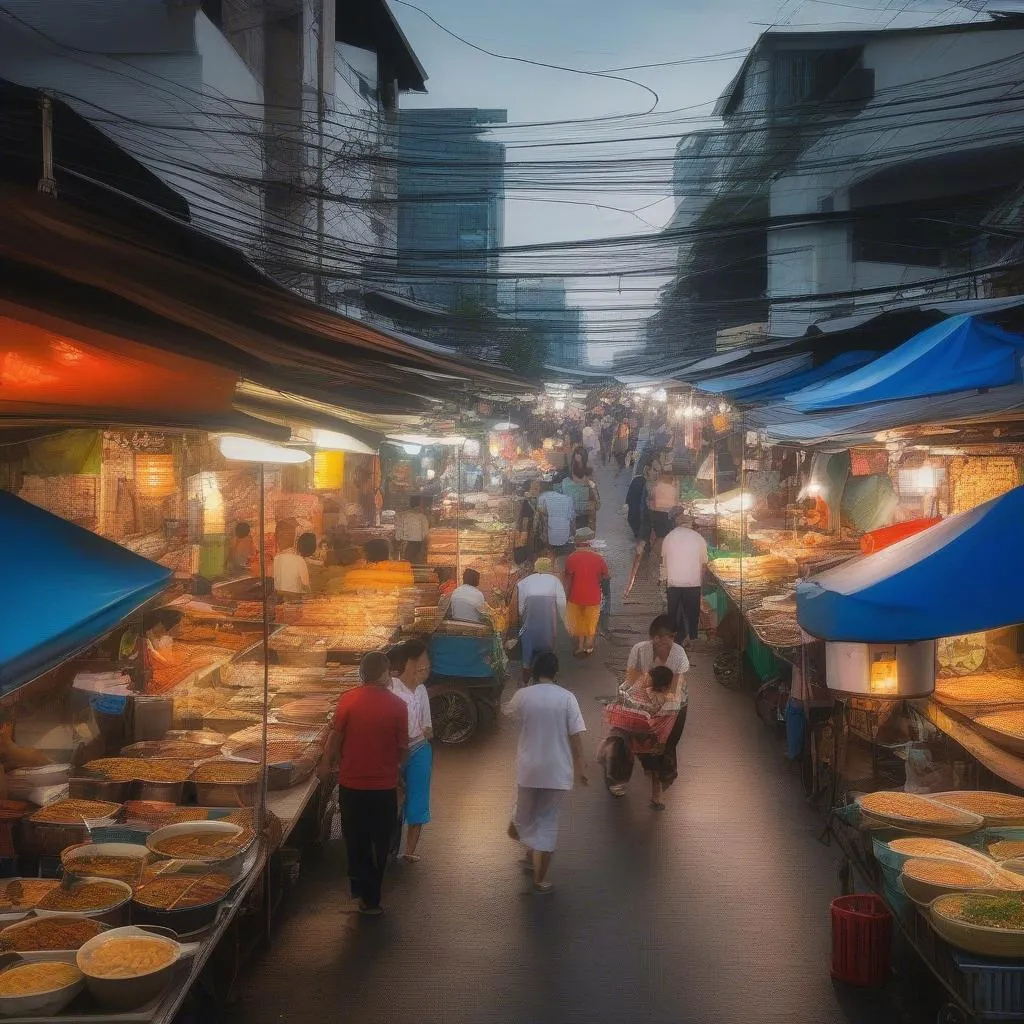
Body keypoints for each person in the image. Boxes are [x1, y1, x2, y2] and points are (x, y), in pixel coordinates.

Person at [318, 651, 408, 916]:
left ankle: (361, 889)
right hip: (383, 787)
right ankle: (373, 897)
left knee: (355, 839)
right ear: (383, 674)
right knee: (381, 840)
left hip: (352, 784)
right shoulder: (398, 706)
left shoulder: (348, 700)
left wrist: (325, 763)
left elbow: (335, 737)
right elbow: (403, 748)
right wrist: (397, 772)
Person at [503, 653, 588, 893]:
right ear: (556, 672)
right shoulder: (567, 698)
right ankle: (540, 879)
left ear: (535, 671)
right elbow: (576, 736)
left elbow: (507, 716)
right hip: (558, 770)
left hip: (528, 769)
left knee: (525, 816)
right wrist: (581, 765)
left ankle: (525, 839)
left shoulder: (523, 696)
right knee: (548, 821)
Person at [616, 615, 690, 808]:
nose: (666, 641)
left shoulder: (679, 654)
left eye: (670, 637)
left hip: (671, 708)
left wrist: (662, 709)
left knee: (664, 747)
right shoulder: (639, 651)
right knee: (629, 739)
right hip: (643, 704)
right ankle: (621, 777)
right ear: (653, 637)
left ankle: (657, 786)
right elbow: (631, 680)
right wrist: (628, 697)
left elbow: (675, 689)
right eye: (661, 637)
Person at [389, 640, 433, 862]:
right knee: (393, 798)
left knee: (417, 801)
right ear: (410, 663)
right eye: (422, 662)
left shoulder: (422, 690)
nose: (425, 667)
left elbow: (427, 728)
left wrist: (421, 732)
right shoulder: (391, 688)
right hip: (394, 752)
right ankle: (388, 846)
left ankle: (409, 851)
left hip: (419, 750)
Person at [510, 556, 567, 685]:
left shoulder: (524, 582)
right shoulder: (555, 581)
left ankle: (525, 681)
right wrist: (563, 619)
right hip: (548, 626)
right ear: (549, 569)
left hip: (528, 626)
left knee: (527, 652)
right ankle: (547, 678)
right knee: (548, 651)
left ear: (535, 568)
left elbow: (520, 608)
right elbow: (562, 604)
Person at [661, 508, 709, 649]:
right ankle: (693, 636)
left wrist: (664, 579)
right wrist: (702, 581)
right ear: (690, 524)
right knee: (692, 612)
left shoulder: (669, 537)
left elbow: (664, 561)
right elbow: (704, 563)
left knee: (673, 611)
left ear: (676, 524)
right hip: (692, 582)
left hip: (673, 582)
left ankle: (674, 636)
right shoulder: (698, 538)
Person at [562, 528, 609, 658]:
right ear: (590, 543)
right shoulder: (598, 558)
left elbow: (568, 577)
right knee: (590, 622)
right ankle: (589, 643)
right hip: (593, 597)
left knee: (578, 622)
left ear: (577, 543)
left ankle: (581, 645)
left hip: (575, 596)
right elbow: (606, 575)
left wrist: (565, 595)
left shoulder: (572, 558)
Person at [537, 482, 575, 562]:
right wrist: (572, 533)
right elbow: (572, 518)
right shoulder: (567, 498)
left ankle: (552, 560)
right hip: (565, 533)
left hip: (551, 535)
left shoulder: (542, 497)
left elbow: (541, 512)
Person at [273, 532, 312, 599]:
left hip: (278, 597)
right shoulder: (299, 560)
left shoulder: (276, 558)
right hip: (294, 597)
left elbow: (274, 580)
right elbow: (305, 584)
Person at [395, 496, 430, 564]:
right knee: (415, 562)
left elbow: (399, 528)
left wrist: (398, 538)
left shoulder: (403, 515)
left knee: (407, 561)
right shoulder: (422, 517)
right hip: (417, 543)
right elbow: (425, 533)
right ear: (420, 505)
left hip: (405, 542)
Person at [648, 472, 678, 544]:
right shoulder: (673, 489)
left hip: (657, 512)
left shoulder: (656, 487)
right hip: (668, 513)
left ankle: (659, 543)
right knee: (667, 531)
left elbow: (652, 497)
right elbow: (675, 500)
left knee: (659, 532)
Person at [513, 486, 537, 567]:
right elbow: (525, 538)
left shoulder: (519, 518)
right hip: (522, 548)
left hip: (518, 548)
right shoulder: (527, 519)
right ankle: (523, 559)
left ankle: (520, 559)